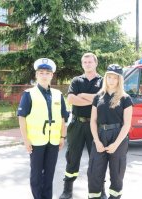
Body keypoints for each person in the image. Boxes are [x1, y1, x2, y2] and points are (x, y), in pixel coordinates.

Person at [17, 58, 69, 199]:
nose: (44, 75)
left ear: (52, 75)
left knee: (49, 174)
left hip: (53, 141)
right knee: (36, 174)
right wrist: (26, 140)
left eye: (47, 73)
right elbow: (21, 117)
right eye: (41, 72)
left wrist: (62, 137)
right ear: (36, 75)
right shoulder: (29, 94)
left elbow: (63, 118)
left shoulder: (58, 95)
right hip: (36, 141)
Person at [59, 53, 104, 199]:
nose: (87, 64)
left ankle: (100, 190)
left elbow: (102, 100)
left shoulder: (103, 81)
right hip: (77, 124)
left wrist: (83, 95)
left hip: (95, 125)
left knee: (97, 158)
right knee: (72, 157)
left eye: (90, 62)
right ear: (82, 64)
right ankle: (67, 190)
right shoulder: (76, 80)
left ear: (95, 63)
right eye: (84, 62)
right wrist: (93, 99)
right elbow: (71, 99)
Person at [88, 64, 133, 199]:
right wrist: (96, 141)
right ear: (105, 78)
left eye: (115, 78)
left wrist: (116, 144)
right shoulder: (98, 97)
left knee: (117, 173)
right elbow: (93, 121)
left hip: (118, 135)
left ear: (120, 80)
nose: (111, 80)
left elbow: (127, 125)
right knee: (94, 171)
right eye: (109, 77)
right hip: (100, 135)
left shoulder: (125, 98)